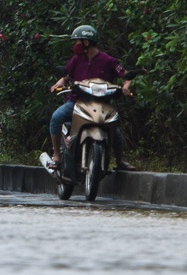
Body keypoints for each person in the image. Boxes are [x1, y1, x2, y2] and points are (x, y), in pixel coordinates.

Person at [47, 25, 133, 168]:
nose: (75, 45)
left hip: (102, 105)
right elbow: (67, 75)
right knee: (56, 118)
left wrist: (125, 87)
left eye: (77, 42)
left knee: (115, 130)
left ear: (86, 42)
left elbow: (126, 75)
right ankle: (57, 156)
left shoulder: (108, 60)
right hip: (77, 102)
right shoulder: (77, 59)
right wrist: (59, 83)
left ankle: (119, 161)